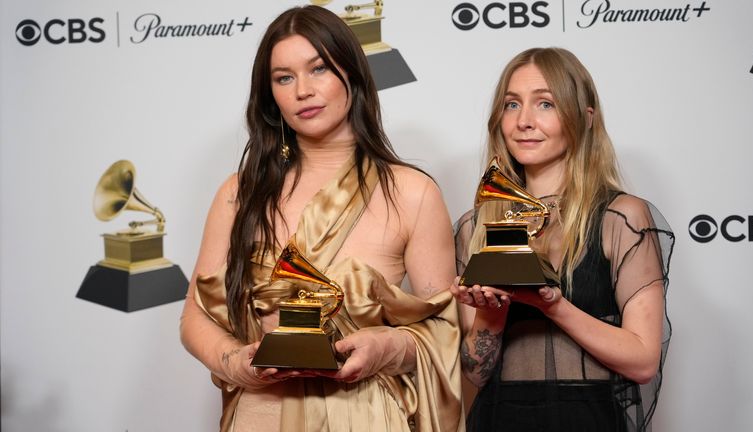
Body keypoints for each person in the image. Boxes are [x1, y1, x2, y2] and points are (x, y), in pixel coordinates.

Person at [179, 6, 463, 432]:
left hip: (365, 412)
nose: (303, 91)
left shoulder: (411, 192)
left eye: (319, 69)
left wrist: (385, 346)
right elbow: (195, 316)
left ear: (351, 73)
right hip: (261, 411)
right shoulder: (240, 192)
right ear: (269, 94)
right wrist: (234, 362)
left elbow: (442, 329)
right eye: (284, 78)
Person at [451, 47, 674, 432]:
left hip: (589, 420)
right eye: (511, 105)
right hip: (499, 419)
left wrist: (553, 306)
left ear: (585, 118)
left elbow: (643, 362)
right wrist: (492, 310)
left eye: (545, 104)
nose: (524, 121)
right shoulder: (476, 227)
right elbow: (475, 372)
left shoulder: (621, 218)